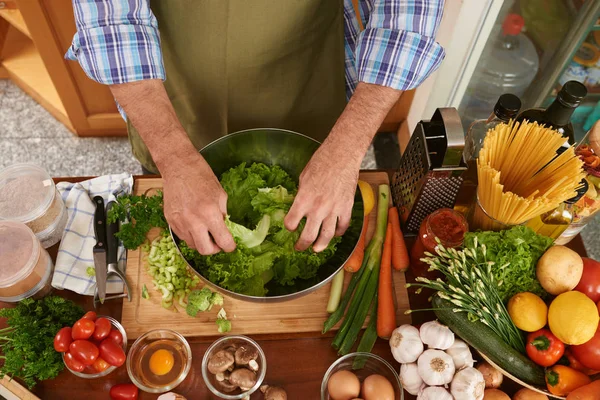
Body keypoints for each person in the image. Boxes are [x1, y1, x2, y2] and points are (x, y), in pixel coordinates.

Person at [68, 0, 445, 255]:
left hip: (305, 63)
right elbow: (111, 23)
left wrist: (345, 152)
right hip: (174, 81)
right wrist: (175, 160)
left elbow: (405, 18)